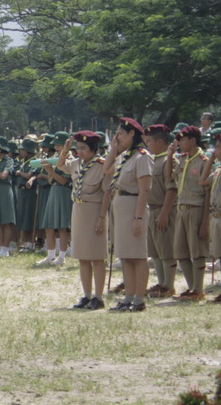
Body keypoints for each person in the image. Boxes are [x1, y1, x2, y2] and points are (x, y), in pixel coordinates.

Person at [103, 117, 153, 311]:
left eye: (121, 134)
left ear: (132, 134)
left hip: (133, 207)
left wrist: (138, 218)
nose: (118, 137)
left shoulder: (142, 157)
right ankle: (128, 297)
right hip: (121, 207)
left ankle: (139, 300)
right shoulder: (125, 156)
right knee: (125, 256)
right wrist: (114, 149)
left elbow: (144, 190)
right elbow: (107, 169)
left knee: (138, 256)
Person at [58, 131, 108, 310]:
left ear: (94, 149)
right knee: (82, 257)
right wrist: (65, 150)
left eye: (83, 148)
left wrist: (102, 217)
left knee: (96, 257)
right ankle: (87, 295)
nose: (79, 151)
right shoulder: (76, 163)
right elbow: (60, 165)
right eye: (78, 148)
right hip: (78, 210)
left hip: (94, 210)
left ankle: (98, 297)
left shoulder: (102, 165)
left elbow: (107, 193)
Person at [167, 125, 212, 301]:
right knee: (181, 252)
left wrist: (205, 221)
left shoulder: (203, 161)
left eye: (183, 140)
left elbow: (207, 193)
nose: (179, 143)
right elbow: (169, 178)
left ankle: (198, 290)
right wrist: (169, 156)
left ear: (193, 141)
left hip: (196, 209)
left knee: (197, 251)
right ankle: (191, 288)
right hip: (181, 209)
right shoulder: (182, 159)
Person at [144, 125, 178, 298]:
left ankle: (169, 285)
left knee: (166, 250)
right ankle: (161, 282)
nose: (147, 144)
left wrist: (164, 214)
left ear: (159, 142)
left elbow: (171, 189)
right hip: (151, 209)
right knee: (155, 251)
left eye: (149, 141)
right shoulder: (152, 160)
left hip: (164, 210)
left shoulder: (168, 161)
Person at [39, 132, 73, 267]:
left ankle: (62, 256)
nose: (57, 147)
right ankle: (50, 255)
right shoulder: (54, 158)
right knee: (49, 225)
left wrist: (50, 171)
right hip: (53, 190)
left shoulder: (69, 158)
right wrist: (49, 171)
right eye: (56, 145)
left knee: (62, 226)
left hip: (63, 191)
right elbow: (51, 180)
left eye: (60, 144)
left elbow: (64, 180)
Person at [14, 137, 40, 253]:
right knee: (23, 216)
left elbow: (29, 175)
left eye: (23, 149)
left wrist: (20, 173)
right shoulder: (24, 161)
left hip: (29, 192)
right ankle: (24, 242)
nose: (21, 151)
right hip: (22, 191)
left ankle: (30, 242)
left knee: (29, 217)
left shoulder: (34, 161)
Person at [206, 133, 221, 302]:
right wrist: (211, 159)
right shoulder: (218, 170)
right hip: (216, 217)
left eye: (218, 147)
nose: (215, 150)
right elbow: (203, 181)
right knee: (219, 253)